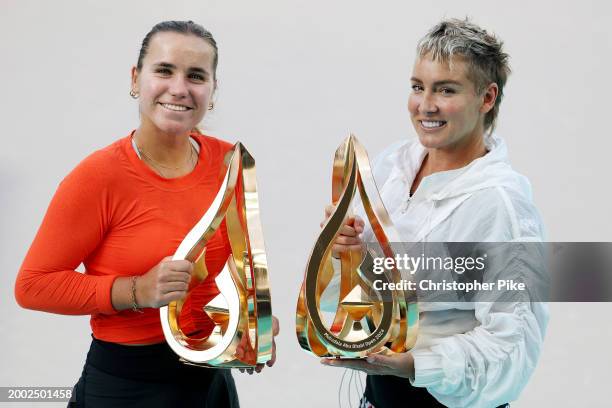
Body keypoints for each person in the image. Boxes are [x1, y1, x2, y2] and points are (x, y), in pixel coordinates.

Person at [15, 20, 278, 408]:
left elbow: (233, 265)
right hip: (126, 385)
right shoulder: (98, 177)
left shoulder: (229, 161)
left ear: (212, 91)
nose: (179, 88)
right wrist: (135, 290)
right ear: (136, 79)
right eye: (164, 70)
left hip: (210, 384)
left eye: (196, 76)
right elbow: (32, 286)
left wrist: (247, 327)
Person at [319, 19, 548, 408]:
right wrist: (345, 248)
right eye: (417, 87)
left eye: (446, 90)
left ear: (487, 98)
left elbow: (512, 347)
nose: (425, 105)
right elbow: (371, 285)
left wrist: (414, 366)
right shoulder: (396, 164)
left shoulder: (500, 203)